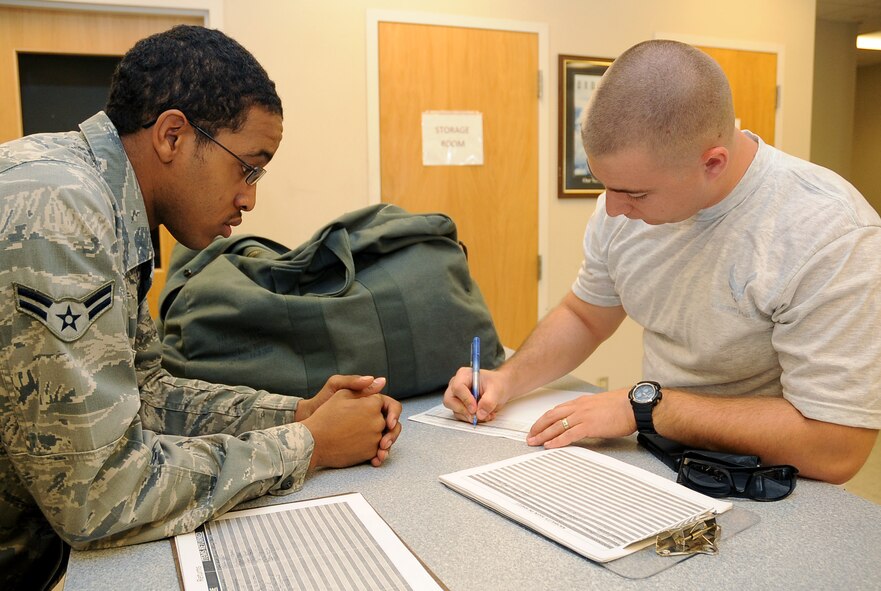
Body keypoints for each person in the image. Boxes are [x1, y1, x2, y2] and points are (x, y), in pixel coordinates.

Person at [0, 26, 401, 590]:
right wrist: (309, 447)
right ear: (172, 136)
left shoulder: (104, 203)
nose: (250, 198)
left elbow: (146, 395)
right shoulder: (61, 213)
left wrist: (295, 413)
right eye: (249, 167)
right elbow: (99, 495)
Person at [445, 39, 880, 486]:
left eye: (635, 194)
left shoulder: (830, 232)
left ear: (712, 163)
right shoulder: (621, 207)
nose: (612, 209)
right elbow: (586, 315)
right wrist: (506, 380)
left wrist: (644, 408)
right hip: (657, 450)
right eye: (605, 185)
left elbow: (836, 446)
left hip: (771, 478)